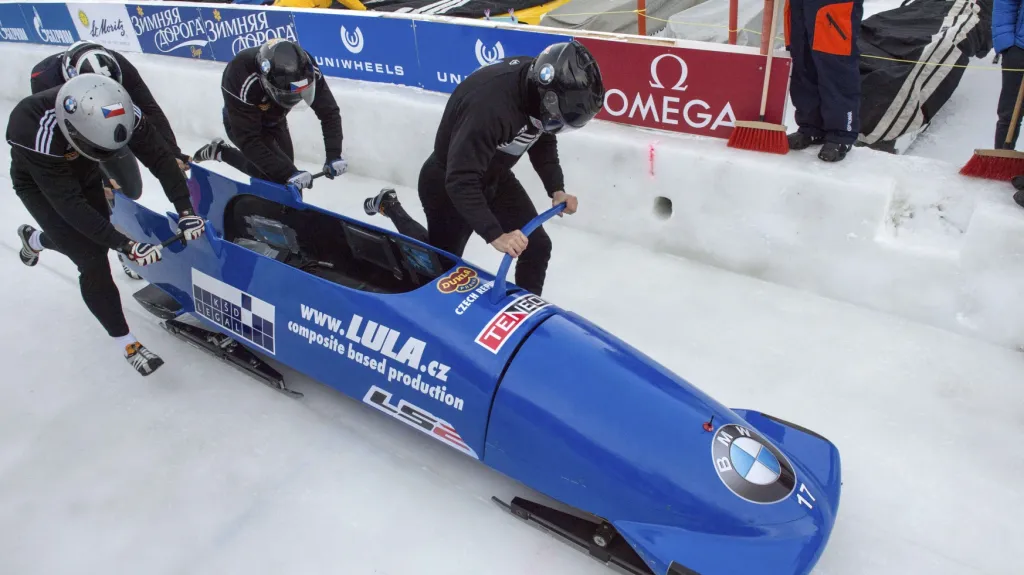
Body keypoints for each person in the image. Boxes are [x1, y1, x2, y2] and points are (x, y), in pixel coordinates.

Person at [362, 40, 603, 296]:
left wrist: (556, 188)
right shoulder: (489, 109)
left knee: (537, 246)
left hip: (493, 174)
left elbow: (542, 134)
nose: (555, 124)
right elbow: (460, 181)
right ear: (545, 96)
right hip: (448, 184)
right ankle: (390, 206)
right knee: (440, 270)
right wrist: (495, 235)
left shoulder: (537, 90)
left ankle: (520, 318)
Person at [8, 74, 206, 376]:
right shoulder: (34, 126)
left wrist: (185, 209)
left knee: (89, 240)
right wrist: (125, 244)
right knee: (91, 258)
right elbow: (70, 205)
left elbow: (161, 159)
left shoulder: (124, 109)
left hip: (86, 167)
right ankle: (126, 342)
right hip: (40, 181)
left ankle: (35, 240)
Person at [30, 40, 191, 279]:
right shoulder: (44, 78)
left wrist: (172, 151)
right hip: (73, 137)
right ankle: (124, 248)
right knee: (99, 205)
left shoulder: (118, 65)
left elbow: (148, 107)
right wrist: (101, 178)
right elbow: (59, 137)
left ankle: (36, 239)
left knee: (130, 189)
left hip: (110, 118)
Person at [191, 38, 347, 190]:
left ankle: (220, 152)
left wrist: (334, 154)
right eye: (290, 95)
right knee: (276, 176)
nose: (295, 100)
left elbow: (329, 112)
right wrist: (288, 173)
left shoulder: (306, 68)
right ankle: (222, 153)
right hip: (243, 121)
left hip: (275, 119)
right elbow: (249, 141)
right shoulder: (239, 75)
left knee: (282, 174)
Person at [784, 0, 864, 162]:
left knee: (835, 65)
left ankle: (841, 134)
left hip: (833, 4)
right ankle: (811, 127)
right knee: (802, 62)